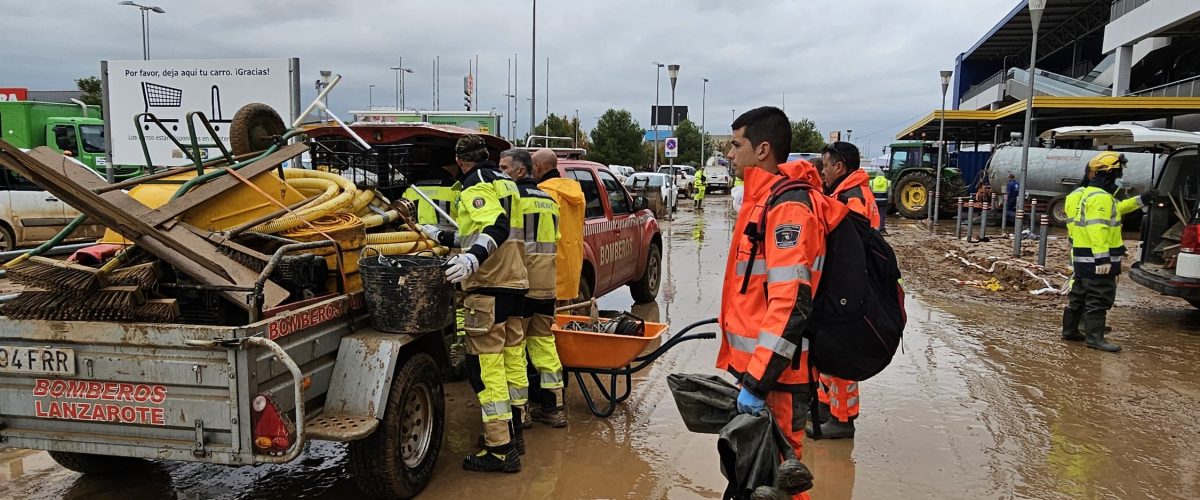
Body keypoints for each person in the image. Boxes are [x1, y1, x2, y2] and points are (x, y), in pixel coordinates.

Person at [718, 107, 848, 500]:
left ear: (762, 150)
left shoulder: (789, 207)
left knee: (778, 482)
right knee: (756, 479)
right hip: (760, 370)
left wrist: (758, 383)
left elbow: (791, 303)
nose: (728, 153)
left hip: (777, 377)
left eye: (736, 144)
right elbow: (755, 290)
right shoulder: (764, 199)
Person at [422, 135, 528, 472]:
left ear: (459, 159)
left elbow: (494, 226)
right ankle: (514, 435)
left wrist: (472, 260)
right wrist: (439, 235)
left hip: (489, 284)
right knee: (512, 360)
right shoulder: (505, 181)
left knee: (485, 368)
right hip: (514, 282)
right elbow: (481, 232)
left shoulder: (475, 181)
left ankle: (499, 450)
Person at [806, 141, 877, 441]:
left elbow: (850, 248)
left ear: (840, 166)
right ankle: (825, 409)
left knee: (842, 356)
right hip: (842, 286)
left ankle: (843, 420)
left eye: (826, 165)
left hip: (848, 288)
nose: (823, 170)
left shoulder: (853, 199)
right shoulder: (844, 193)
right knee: (828, 354)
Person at [499, 148, 569, 429]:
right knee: (543, 344)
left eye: (504, 168)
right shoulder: (549, 200)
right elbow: (556, 239)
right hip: (546, 285)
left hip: (521, 284)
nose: (500, 173)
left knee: (514, 349)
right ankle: (554, 407)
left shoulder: (513, 198)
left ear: (521, 170)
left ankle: (520, 412)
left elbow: (505, 241)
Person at [1061, 151, 1152, 353]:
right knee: (1099, 296)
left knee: (1079, 295)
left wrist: (1141, 200)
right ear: (1110, 175)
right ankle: (1094, 338)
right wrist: (1103, 258)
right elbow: (1098, 227)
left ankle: (1070, 330)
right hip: (1097, 257)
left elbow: (1115, 210)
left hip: (1080, 253)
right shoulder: (1101, 197)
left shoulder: (1078, 195)